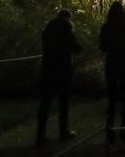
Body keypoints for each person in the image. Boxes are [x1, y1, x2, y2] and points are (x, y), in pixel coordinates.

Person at [36, 9, 81, 146]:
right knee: (63, 102)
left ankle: (40, 135)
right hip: (63, 70)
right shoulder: (67, 30)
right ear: (68, 18)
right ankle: (63, 131)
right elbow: (77, 48)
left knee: (45, 103)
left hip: (48, 69)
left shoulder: (47, 30)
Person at [100, 1, 125, 147]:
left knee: (111, 99)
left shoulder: (106, 28)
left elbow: (102, 47)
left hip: (112, 64)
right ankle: (124, 129)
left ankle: (110, 130)